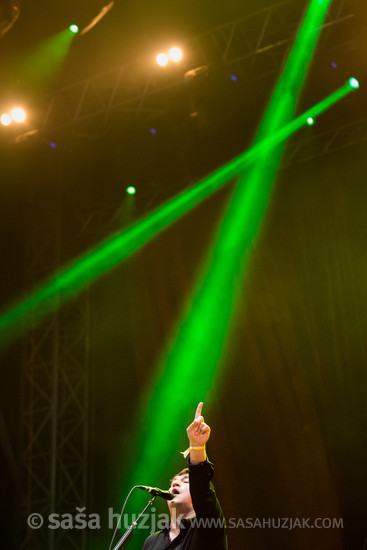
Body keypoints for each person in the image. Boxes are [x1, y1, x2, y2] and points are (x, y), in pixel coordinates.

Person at [142, 402, 228, 549]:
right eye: (173, 481)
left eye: (185, 481)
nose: (175, 483)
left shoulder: (208, 527)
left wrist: (197, 447)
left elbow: (202, 487)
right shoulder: (152, 541)